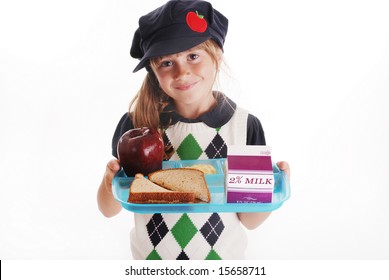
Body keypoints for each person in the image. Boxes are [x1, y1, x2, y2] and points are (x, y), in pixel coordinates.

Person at [97, 0, 290, 260]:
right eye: (166, 63)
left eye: (193, 56)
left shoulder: (244, 126)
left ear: (217, 56)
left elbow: (250, 219)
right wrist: (109, 184)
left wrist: (270, 189)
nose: (182, 72)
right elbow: (109, 210)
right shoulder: (138, 125)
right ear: (154, 71)